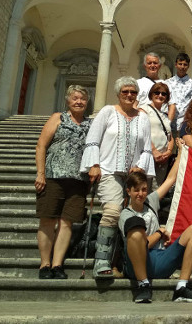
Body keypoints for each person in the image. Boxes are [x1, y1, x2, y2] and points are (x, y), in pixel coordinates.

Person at [80, 76, 156, 278]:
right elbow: (93, 140)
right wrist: (94, 165)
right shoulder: (107, 112)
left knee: (129, 219)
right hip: (108, 171)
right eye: (125, 92)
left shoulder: (143, 118)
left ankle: (120, 263)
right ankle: (101, 261)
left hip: (134, 176)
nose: (129, 95)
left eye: (133, 92)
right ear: (118, 94)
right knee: (113, 212)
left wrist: (140, 167)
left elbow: (147, 148)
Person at [119, 149, 192, 303]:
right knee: (137, 231)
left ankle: (182, 287)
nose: (141, 193)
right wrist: (160, 232)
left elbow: (170, 179)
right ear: (129, 192)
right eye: (136, 190)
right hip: (137, 264)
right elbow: (143, 243)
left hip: (159, 259)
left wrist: (181, 152)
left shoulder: (150, 201)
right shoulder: (125, 214)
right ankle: (143, 285)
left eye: (144, 189)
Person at [35, 85, 92, 279]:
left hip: (78, 179)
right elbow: (42, 145)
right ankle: (45, 264)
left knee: (67, 223)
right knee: (48, 220)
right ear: (68, 100)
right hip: (53, 176)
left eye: (82, 99)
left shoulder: (89, 124)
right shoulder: (58, 118)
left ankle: (58, 264)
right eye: (75, 98)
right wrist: (40, 173)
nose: (79, 101)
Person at [141, 82, 174, 190]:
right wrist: (154, 150)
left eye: (163, 94)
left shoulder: (165, 115)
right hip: (148, 156)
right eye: (157, 92)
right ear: (151, 94)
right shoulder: (144, 109)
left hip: (163, 159)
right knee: (143, 188)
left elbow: (170, 136)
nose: (160, 95)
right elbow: (142, 132)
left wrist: (168, 151)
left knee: (156, 191)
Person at [164, 53, 192, 129]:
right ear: (175, 65)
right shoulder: (167, 83)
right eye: (180, 64)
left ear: (188, 66)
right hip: (170, 123)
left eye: (185, 64)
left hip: (186, 124)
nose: (182, 67)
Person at [135, 52, 172, 117]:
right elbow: (134, 105)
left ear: (159, 66)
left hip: (161, 121)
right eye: (149, 63)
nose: (152, 65)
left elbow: (172, 106)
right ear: (144, 66)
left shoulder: (167, 85)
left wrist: (167, 123)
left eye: (155, 63)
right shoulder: (138, 83)